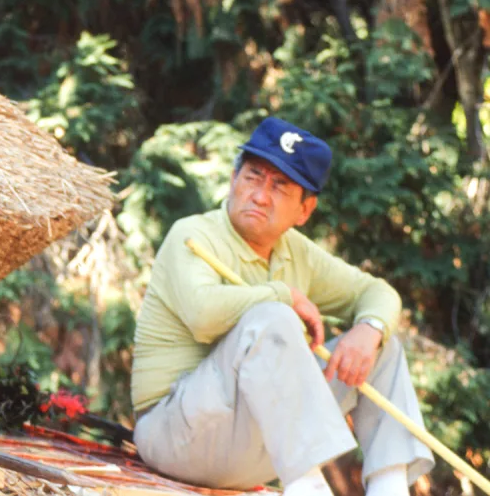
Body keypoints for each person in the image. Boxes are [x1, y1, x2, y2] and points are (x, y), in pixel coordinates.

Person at [131, 117, 433, 496]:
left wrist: (369, 330)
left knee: (381, 344)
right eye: (253, 177)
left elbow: (377, 292)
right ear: (233, 179)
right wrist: (283, 296)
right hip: (175, 435)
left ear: (304, 211)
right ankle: (308, 486)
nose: (259, 195)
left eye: (279, 187)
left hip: (252, 448)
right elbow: (203, 315)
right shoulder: (193, 236)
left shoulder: (297, 253)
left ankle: (388, 487)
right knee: (271, 317)